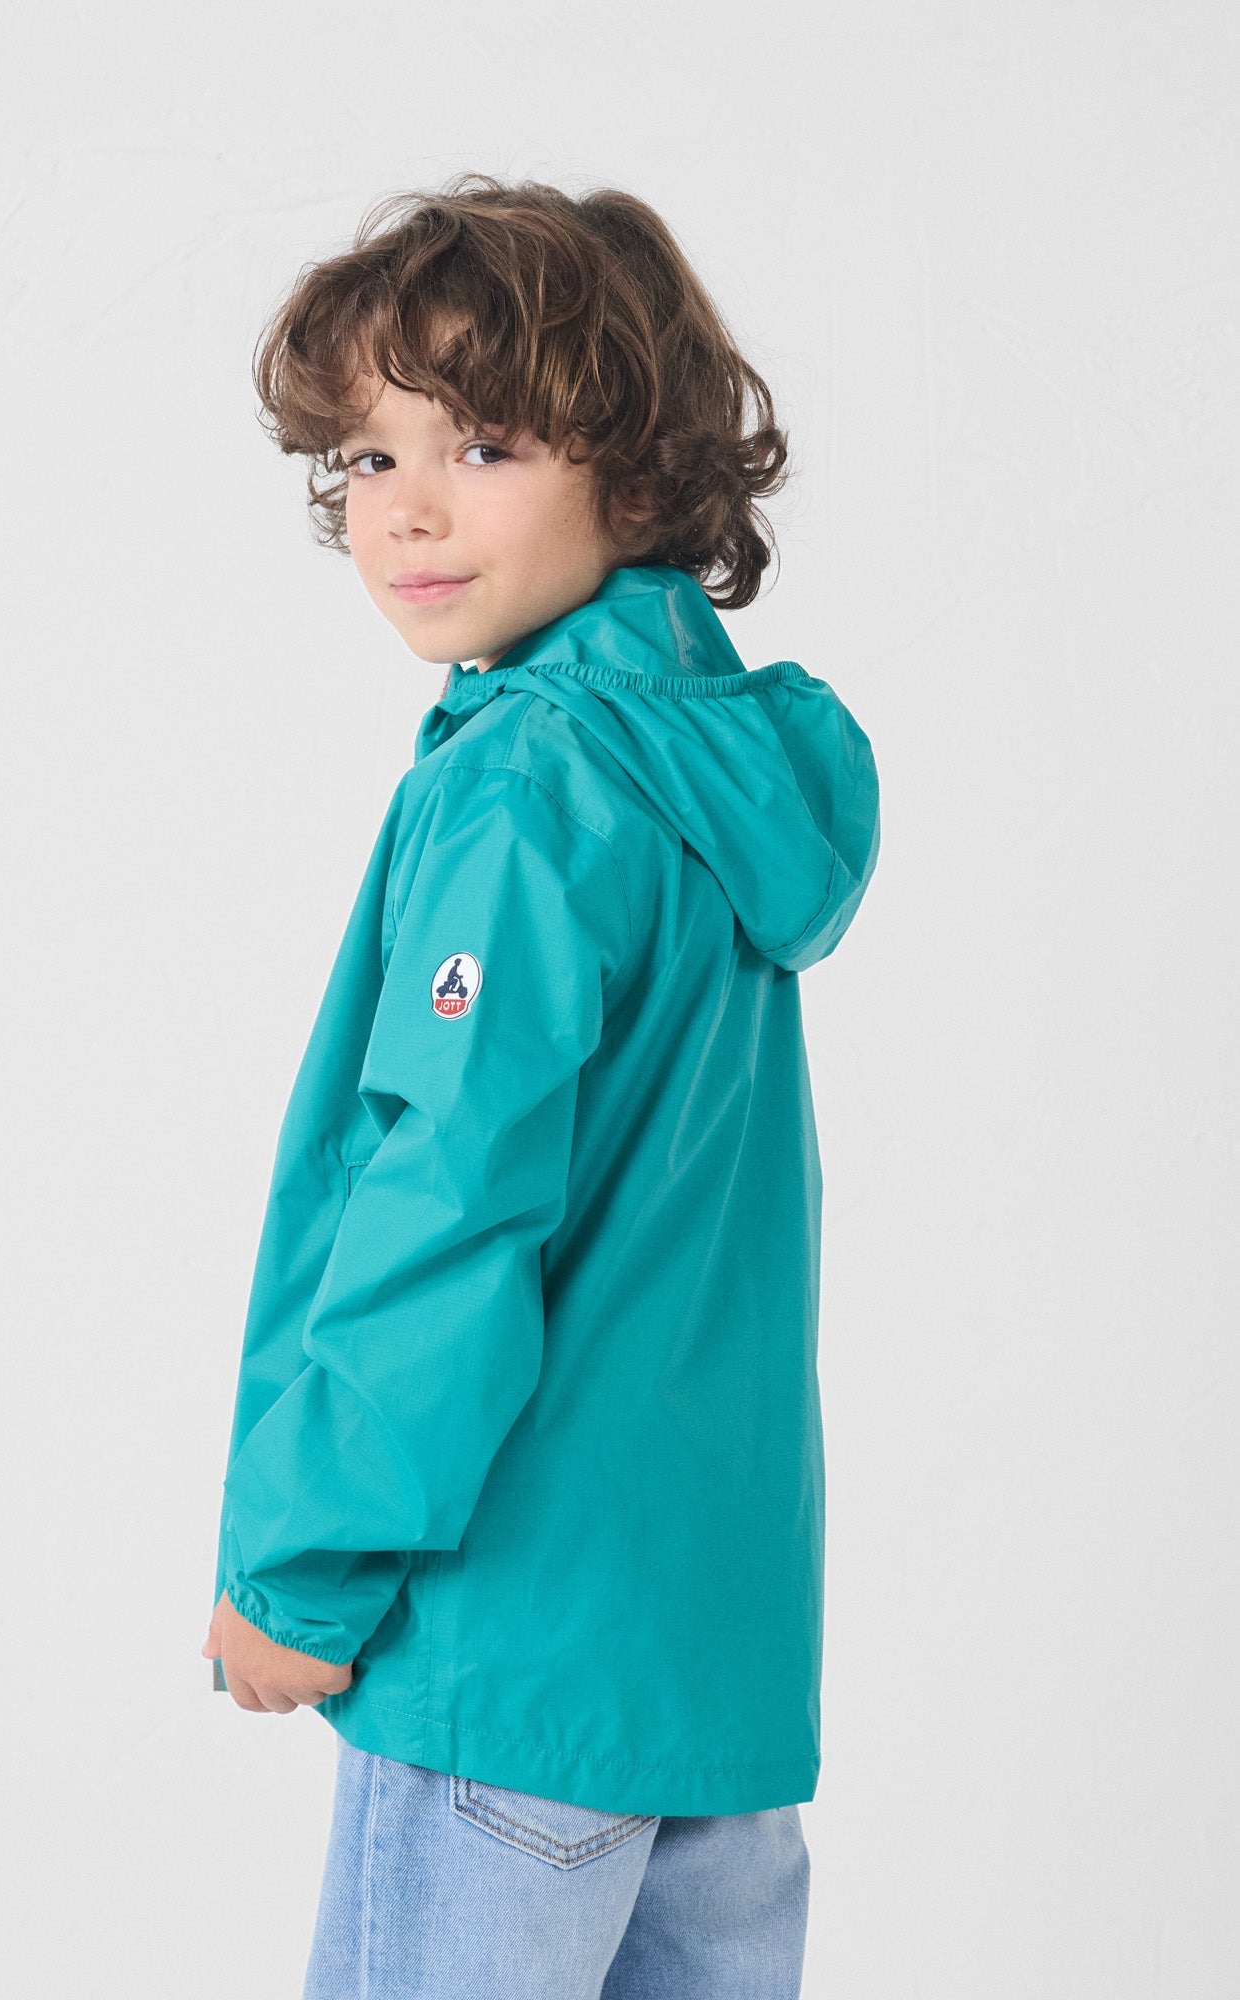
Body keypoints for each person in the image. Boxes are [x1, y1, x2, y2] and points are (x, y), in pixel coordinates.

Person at [201, 173, 881, 1998]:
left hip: (507, 1661)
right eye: (366, 455)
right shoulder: (717, 782)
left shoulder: (525, 787)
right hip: (712, 1676)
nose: (404, 508)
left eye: (483, 445)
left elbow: (450, 1199)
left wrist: (302, 1570)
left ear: (641, 482)